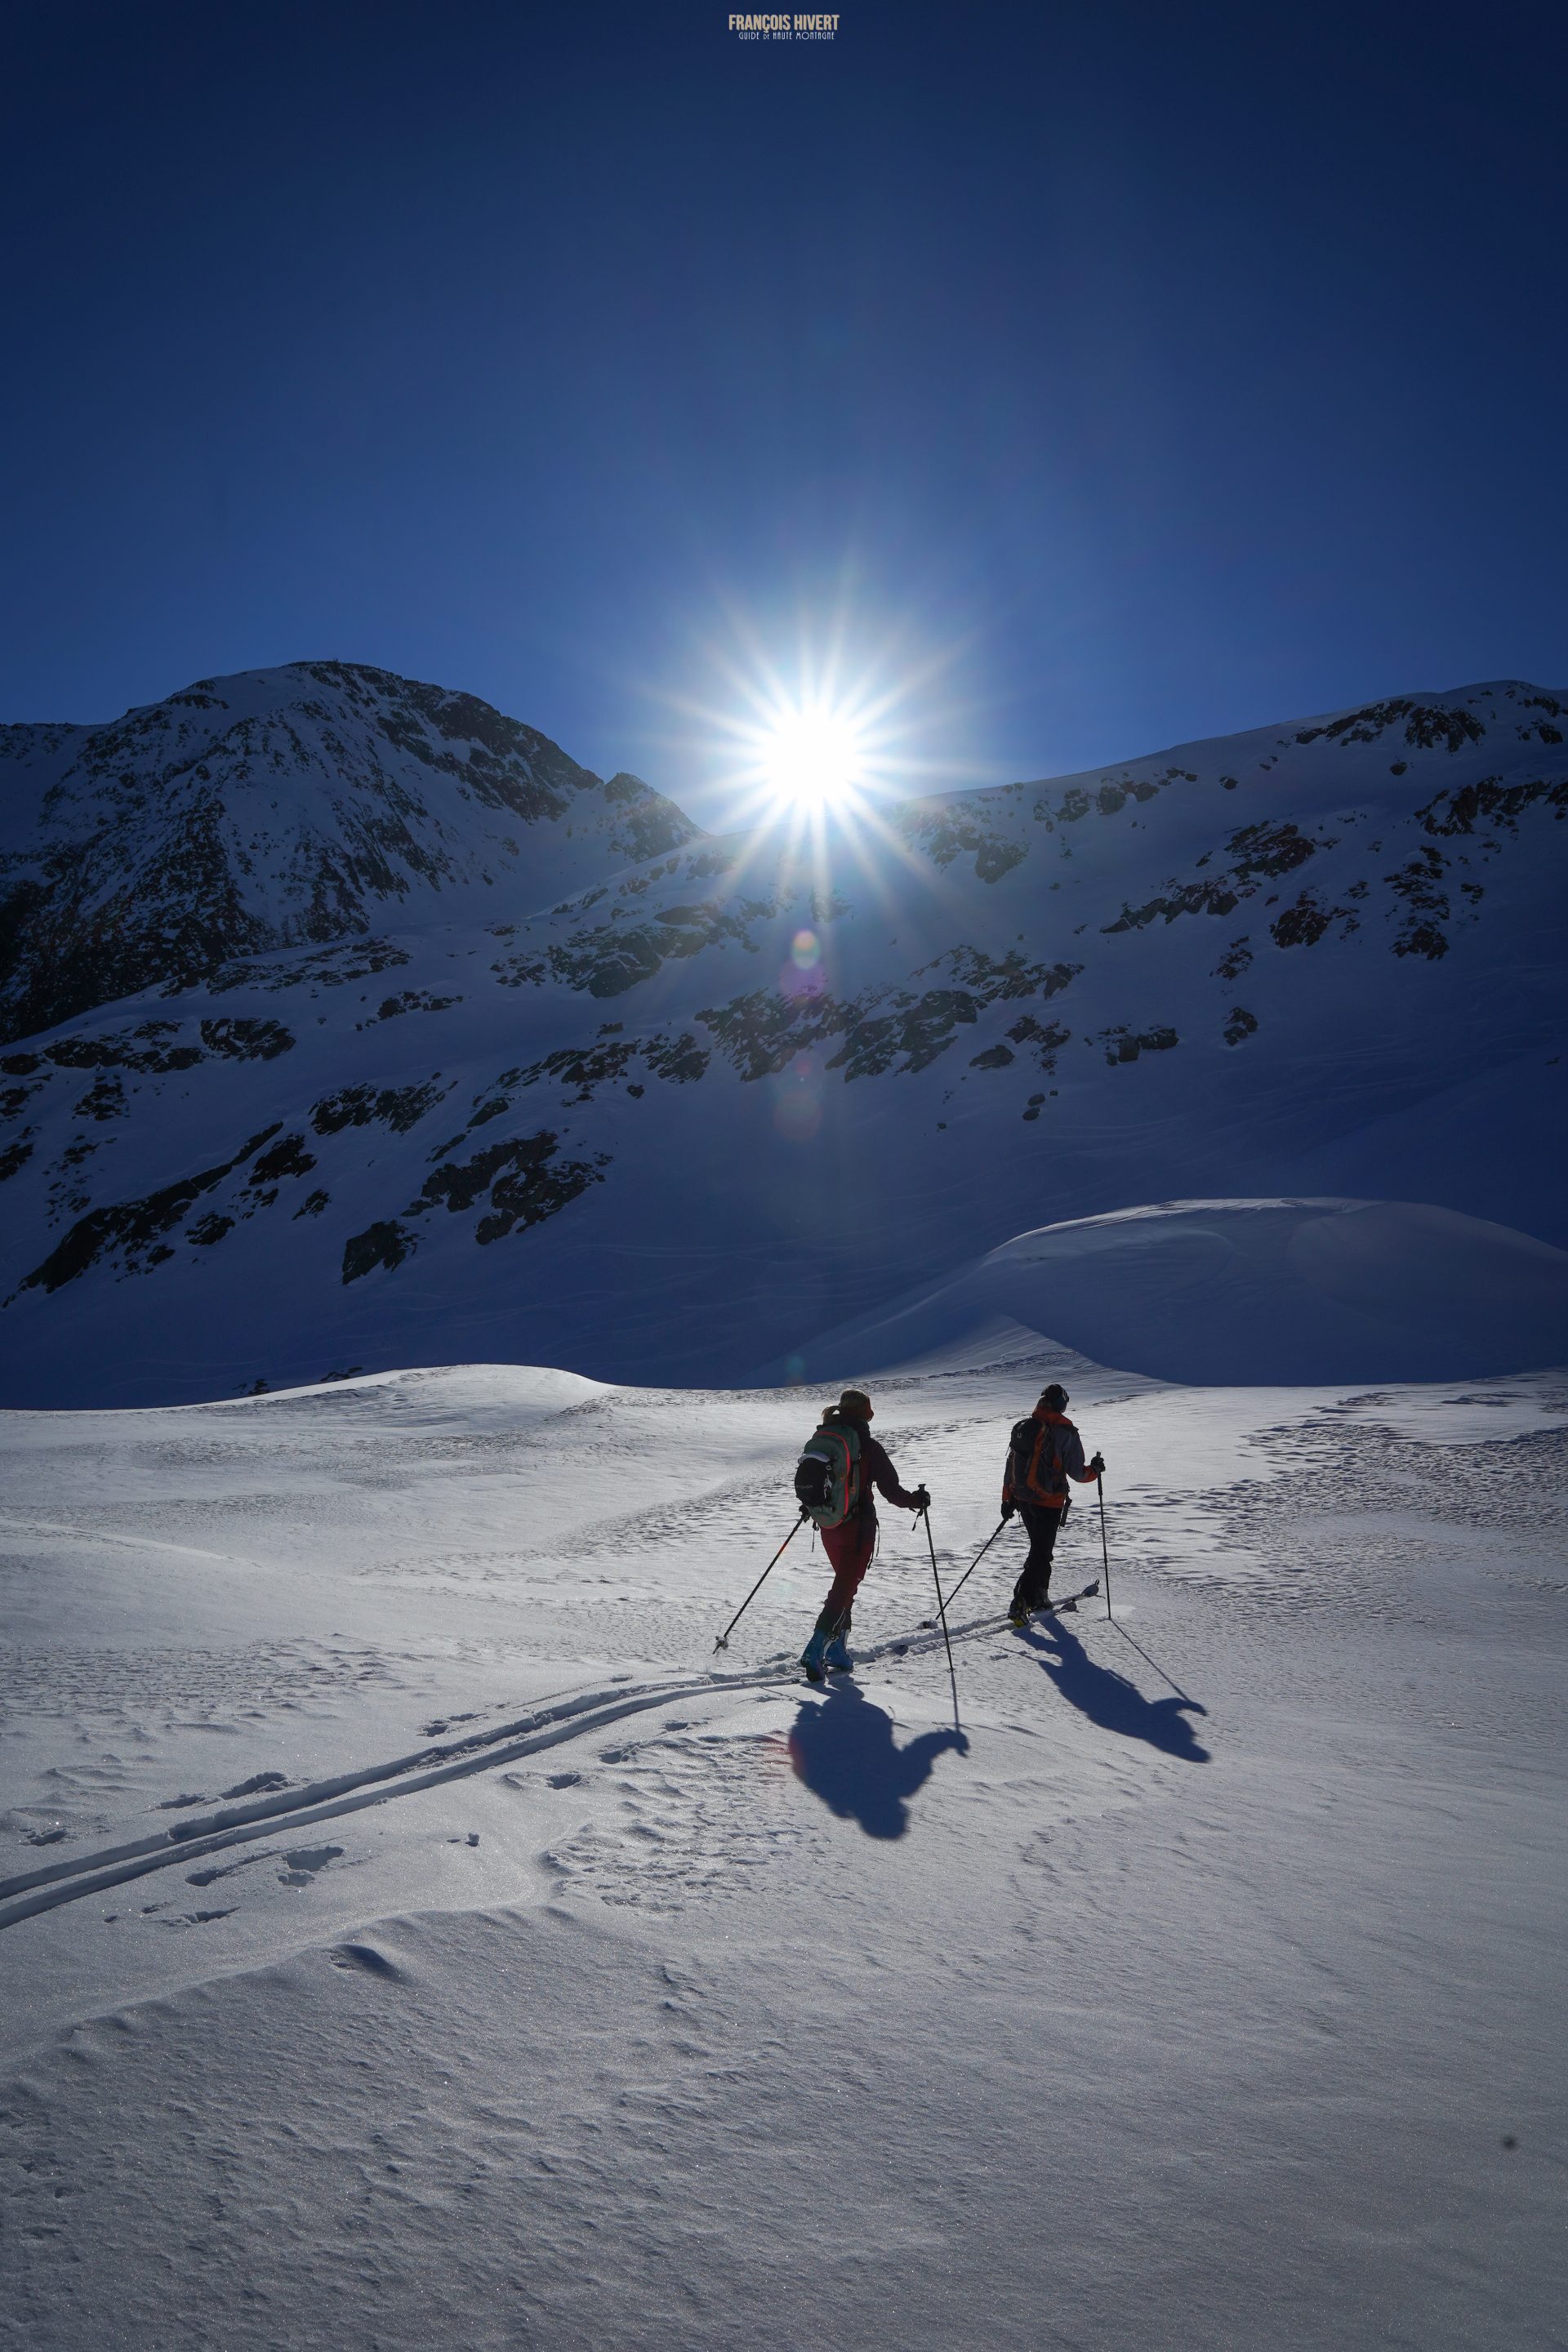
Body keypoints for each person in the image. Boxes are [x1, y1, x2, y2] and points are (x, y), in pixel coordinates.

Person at [800, 1388, 929, 1680]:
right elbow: (893, 1492)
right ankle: (816, 1646)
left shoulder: (824, 1438)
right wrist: (917, 1500)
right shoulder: (867, 1446)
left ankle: (837, 1651)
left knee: (845, 1585)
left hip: (830, 1525)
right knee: (844, 1588)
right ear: (865, 1414)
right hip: (858, 1528)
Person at [1001, 1382, 1104, 1625]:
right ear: (1062, 1405)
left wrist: (1007, 1498)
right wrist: (1095, 1471)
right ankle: (1021, 1599)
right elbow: (1078, 1472)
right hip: (1049, 1501)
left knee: (1039, 1550)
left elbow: (1010, 1464)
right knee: (1041, 1552)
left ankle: (1039, 1596)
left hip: (1023, 1499)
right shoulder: (1065, 1432)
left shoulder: (1025, 1427)